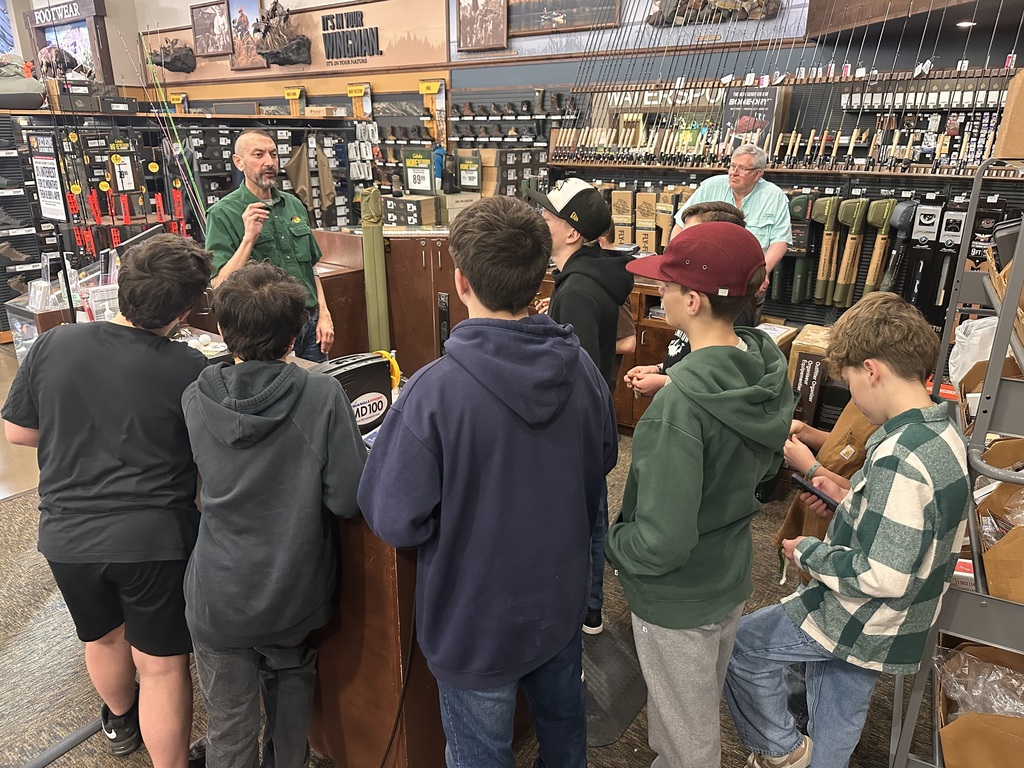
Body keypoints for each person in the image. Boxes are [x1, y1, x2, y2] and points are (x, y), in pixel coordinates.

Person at [358, 196, 616, 768]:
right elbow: (601, 460)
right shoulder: (582, 369)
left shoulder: (432, 392)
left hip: (474, 623)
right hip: (558, 602)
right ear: (541, 274)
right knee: (565, 735)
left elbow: (394, 517)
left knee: (480, 755)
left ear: (461, 281)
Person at [725, 292, 971, 768]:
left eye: (851, 381)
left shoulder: (900, 456)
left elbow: (883, 574)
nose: (853, 395)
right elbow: (910, 531)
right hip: (900, 620)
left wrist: (809, 552)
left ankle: (783, 752)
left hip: (862, 612)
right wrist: (848, 501)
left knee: (745, 646)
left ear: (872, 370)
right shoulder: (942, 433)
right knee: (839, 709)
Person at [2, 234, 212, 767]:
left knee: (102, 638)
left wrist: (77, 430)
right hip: (153, 538)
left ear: (122, 285)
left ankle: (120, 721)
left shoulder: (55, 343)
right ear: (185, 311)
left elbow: (18, 431)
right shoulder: (188, 366)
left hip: (67, 535)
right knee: (161, 665)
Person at [605, 221, 795, 768]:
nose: (659, 292)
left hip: (678, 597)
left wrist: (611, 545)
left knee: (688, 743)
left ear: (692, 301)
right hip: (729, 572)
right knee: (693, 714)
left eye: (665, 285)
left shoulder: (678, 408)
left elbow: (661, 542)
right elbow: (762, 476)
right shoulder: (765, 369)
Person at [181, 261, 365, 768]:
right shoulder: (321, 394)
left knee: (229, 727)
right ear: (295, 334)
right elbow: (348, 498)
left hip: (217, 595)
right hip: (291, 590)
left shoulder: (195, 396)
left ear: (222, 329)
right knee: (288, 711)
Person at [525, 177, 633, 635]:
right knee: (591, 509)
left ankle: (586, 607)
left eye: (548, 215)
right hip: (594, 417)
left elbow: (576, 372)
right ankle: (589, 603)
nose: (540, 219)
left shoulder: (576, 291)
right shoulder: (587, 276)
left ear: (571, 231)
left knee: (582, 515)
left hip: (578, 425)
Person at [205, 128, 334, 363]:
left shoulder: (293, 204)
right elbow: (220, 284)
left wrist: (324, 313)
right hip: (266, 330)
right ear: (238, 162)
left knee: (318, 384)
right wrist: (249, 238)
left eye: (273, 154)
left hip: (310, 325)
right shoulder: (222, 213)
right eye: (258, 155)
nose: (269, 162)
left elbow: (311, 268)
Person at [624, 201, 750, 397]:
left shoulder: (725, 306)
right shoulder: (694, 300)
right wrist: (660, 369)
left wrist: (666, 384)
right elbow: (686, 357)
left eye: (692, 237)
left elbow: (717, 381)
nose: (681, 243)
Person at [671, 144, 791, 323]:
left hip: (747, 280)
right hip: (703, 275)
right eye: (732, 166)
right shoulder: (711, 186)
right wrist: (674, 260)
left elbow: (780, 240)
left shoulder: (774, 196)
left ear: (757, 174)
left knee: (740, 329)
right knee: (696, 324)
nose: (733, 172)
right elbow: (681, 226)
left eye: (741, 168)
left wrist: (762, 273)